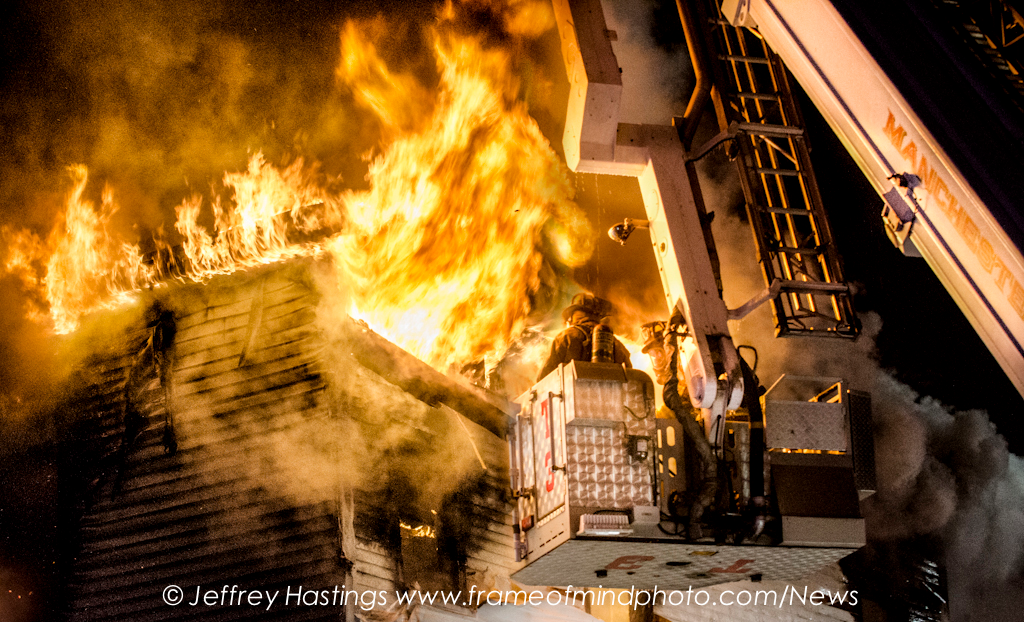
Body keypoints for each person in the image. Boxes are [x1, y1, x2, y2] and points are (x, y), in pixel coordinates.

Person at [537, 293, 632, 381]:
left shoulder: (566, 337)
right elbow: (630, 376)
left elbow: (544, 376)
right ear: (596, 315)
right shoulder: (616, 344)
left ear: (573, 316)